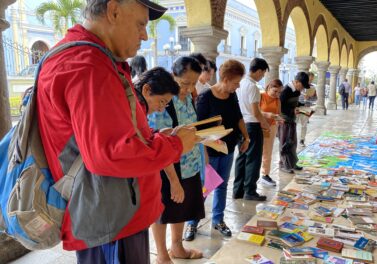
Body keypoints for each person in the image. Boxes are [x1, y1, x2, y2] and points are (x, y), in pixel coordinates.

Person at [35, 1, 199, 263]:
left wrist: (161, 139)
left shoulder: (94, 58)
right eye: (141, 24)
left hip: (116, 214)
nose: (145, 35)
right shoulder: (87, 65)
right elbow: (110, 154)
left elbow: (115, 136)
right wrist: (175, 146)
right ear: (113, 11)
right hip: (112, 221)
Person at [148, 57, 206, 262]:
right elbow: (159, 143)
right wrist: (173, 181)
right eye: (184, 83)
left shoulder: (189, 98)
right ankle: (162, 254)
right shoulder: (163, 101)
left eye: (193, 83)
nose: (189, 88)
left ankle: (177, 247)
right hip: (168, 168)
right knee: (162, 210)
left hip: (189, 164)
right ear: (174, 77)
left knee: (182, 208)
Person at [185, 59, 249, 241]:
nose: (237, 87)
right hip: (209, 150)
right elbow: (197, 128)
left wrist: (247, 137)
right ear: (226, 79)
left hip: (228, 148)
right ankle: (192, 222)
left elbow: (238, 117)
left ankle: (218, 220)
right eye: (236, 82)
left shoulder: (231, 96)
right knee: (204, 187)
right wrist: (203, 153)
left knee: (222, 185)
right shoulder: (206, 97)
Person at [234, 58, 270, 201]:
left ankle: (238, 190)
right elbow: (255, 112)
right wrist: (265, 123)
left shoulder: (240, 83)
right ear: (259, 71)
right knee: (253, 159)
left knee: (242, 157)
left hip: (241, 123)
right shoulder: (253, 86)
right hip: (252, 125)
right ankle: (250, 191)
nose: (262, 77)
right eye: (262, 74)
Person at [278, 72, 310, 174]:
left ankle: (292, 163)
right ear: (296, 82)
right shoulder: (285, 90)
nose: (302, 89)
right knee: (284, 143)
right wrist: (292, 110)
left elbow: (294, 103)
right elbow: (280, 106)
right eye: (302, 86)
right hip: (284, 120)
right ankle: (283, 164)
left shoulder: (296, 90)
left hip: (292, 120)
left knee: (292, 142)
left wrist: (303, 105)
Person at [259, 79, 283, 186]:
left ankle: (265, 174)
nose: (277, 94)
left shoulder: (278, 100)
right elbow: (255, 111)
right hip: (258, 126)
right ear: (269, 88)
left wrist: (279, 119)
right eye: (275, 91)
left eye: (279, 92)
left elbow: (278, 114)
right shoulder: (261, 96)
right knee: (255, 152)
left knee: (267, 152)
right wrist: (267, 115)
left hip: (271, 127)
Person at [297, 72, 317, 147]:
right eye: (309, 79)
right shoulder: (300, 85)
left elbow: (315, 98)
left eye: (312, 79)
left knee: (304, 125)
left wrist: (310, 97)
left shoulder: (313, 87)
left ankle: (302, 140)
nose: (310, 81)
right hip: (297, 107)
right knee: (294, 123)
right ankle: (292, 139)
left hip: (306, 107)